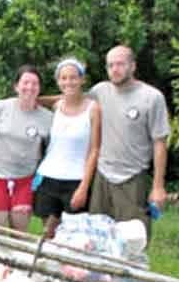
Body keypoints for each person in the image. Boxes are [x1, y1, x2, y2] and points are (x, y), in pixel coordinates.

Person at [88, 45, 171, 236]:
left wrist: (158, 186)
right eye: (110, 65)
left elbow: (160, 143)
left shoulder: (151, 97)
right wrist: (33, 100)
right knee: (97, 237)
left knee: (133, 240)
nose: (114, 69)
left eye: (120, 64)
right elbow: (71, 102)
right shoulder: (100, 91)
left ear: (132, 66)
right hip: (102, 177)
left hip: (133, 179)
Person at [33, 57, 101, 237]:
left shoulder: (93, 109)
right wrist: (32, 97)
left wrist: (84, 187)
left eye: (73, 77)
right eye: (63, 78)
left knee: (75, 237)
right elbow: (40, 101)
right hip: (48, 178)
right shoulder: (57, 105)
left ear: (82, 80)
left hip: (76, 180)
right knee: (48, 234)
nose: (68, 82)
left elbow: (94, 150)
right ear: (58, 81)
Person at [0, 65, 53, 231]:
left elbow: (49, 149)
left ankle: (15, 258)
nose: (29, 87)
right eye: (25, 82)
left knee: (19, 232)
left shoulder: (48, 118)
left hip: (25, 180)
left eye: (34, 84)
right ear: (16, 86)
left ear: (39, 88)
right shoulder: (0, 108)